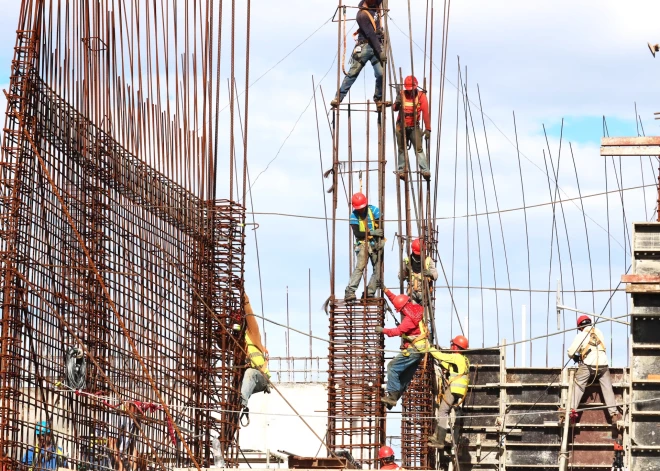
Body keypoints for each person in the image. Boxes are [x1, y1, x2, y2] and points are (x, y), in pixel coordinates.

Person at [564, 315, 621, 424]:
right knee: (608, 389)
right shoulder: (599, 332)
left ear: (580, 327)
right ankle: (613, 414)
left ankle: (571, 411)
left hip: (588, 365)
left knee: (578, 386)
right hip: (603, 365)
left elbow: (570, 352)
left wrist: (576, 357)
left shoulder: (581, 335)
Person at [376, 288, 426, 409]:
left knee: (392, 367)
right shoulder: (416, 309)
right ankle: (392, 399)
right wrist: (386, 290)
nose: (400, 312)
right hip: (420, 350)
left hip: (414, 350)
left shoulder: (409, 320)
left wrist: (383, 330)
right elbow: (397, 301)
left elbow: (397, 331)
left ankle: (392, 397)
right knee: (404, 377)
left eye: (400, 310)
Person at [331, 0, 386, 107]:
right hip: (365, 47)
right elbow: (371, 34)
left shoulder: (374, 5)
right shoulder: (361, 15)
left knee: (381, 74)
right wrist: (380, 52)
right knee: (353, 74)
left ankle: (378, 98)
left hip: (376, 46)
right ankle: (338, 97)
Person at [427, 336, 470, 451]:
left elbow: (441, 356)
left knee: (443, 411)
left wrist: (429, 348)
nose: (451, 347)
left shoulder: (456, 356)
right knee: (444, 411)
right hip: (460, 390)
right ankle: (437, 436)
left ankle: (440, 440)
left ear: (456, 347)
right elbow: (451, 367)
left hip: (454, 388)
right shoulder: (464, 359)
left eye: (452, 345)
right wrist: (440, 363)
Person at [239, 293, 271, 425]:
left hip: (261, 377)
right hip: (247, 382)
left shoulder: (251, 334)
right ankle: (239, 403)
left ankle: (242, 402)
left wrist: (245, 299)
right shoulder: (236, 343)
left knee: (250, 373)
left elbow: (250, 315)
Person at [392, 75, 432, 180]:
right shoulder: (402, 94)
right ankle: (401, 170)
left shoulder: (421, 96)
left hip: (414, 127)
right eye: (409, 90)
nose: (410, 91)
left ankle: (425, 170)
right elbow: (394, 109)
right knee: (401, 149)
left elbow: (426, 113)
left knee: (418, 149)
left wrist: (428, 129)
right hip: (401, 126)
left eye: (412, 89)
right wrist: (397, 102)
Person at [345, 192, 383, 301]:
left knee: (378, 270)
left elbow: (381, 227)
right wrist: (372, 233)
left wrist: (380, 240)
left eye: (362, 208)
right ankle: (350, 291)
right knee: (360, 267)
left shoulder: (374, 210)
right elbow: (357, 234)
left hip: (375, 243)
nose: (360, 210)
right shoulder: (353, 216)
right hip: (362, 244)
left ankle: (369, 292)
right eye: (358, 208)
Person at [400, 238, 438, 304]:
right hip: (412, 293)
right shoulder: (407, 261)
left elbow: (435, 275)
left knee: (425, 313)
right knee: (413, 312)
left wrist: (430, 274)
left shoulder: (428, 260)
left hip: (424, 293)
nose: (418, 256)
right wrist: (405, 271)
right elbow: (400, 276)